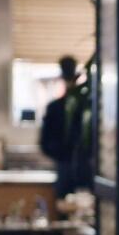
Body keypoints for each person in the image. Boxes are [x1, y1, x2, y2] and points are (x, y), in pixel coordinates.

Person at [39, 55, 84, 197]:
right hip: (65, 172)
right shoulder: (55, 107)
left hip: (85, 174)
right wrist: (64, 155)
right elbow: (45, 143)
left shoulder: (85, 106)